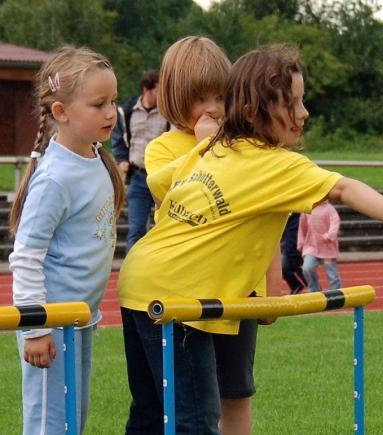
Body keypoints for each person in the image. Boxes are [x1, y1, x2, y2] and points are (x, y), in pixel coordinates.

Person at [118, 43, 383, 434]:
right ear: (253, 111)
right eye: (293, 102)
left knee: (151, 419)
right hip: (174, 295)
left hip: (141, 280)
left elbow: (177, 190)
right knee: (194, 422)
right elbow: (344, 189)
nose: (305, 113)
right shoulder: (267, 162)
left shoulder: (221, 148)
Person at [138, 36, 256, 435]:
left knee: (236, 391)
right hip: (186, 290)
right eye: (199, 97)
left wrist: (267, 282)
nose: (213, 108)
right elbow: (164, 188)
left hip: (237, 287)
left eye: (221, 97)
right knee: (194, 400)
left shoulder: (242, 147)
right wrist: (205, 146)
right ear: (174, 97)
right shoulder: (163, 148)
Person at [8, 45, 124, 434]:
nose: (111, 112)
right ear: (61, 112)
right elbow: (25, 256)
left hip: (78, 320)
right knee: (50, 425)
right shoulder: (55, 177)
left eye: (113, 101)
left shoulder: (94, 159)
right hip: (52, 322)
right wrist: (36, 327)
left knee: (72, 420)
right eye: (98, 104)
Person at [111, 70, 168, 252]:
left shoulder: (168, 114)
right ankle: (131, 273)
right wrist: (121, 159)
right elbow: (118, 138)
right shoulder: (127, 112)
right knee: (136, 230)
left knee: (165, 228)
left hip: (162, 176)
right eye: (159, 90)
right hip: (138, 176)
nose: (162, 94)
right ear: (147, 89)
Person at [298, 200, 342, 292]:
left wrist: (328, 236)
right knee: (307, 268)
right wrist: (301, 243)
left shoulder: (329, 209)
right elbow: (302, 227)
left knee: (332, 274)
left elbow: (335, 223)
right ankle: (314, 289)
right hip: (311, 247)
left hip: (327, 248)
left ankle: (335, 293)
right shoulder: (308, 209)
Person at [281, 213, 308, 294]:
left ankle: (311, 285)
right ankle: (296, 285)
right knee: (283, 267)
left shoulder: (296, 217)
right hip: (288, 222)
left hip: (293, 245)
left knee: (295, 260)